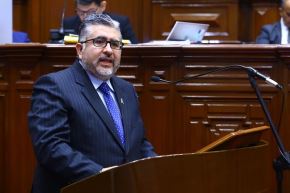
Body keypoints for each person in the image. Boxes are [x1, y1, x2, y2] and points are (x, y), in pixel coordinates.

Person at [28, 13, 157, 193]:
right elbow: (51, 147)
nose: (109, 50)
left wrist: (154, 165)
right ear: (80, 50)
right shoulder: (54, 85)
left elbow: (138, 141)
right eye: (99, 41)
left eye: (115, 44)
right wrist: (100, 174)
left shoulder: (126, 89)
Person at [63, 0, 138, 43]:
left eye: (90, 12)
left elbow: (133, 47)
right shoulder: (68, 23)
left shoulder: (121, 22)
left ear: (102, 6)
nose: (85, 17)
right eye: (80, 12)